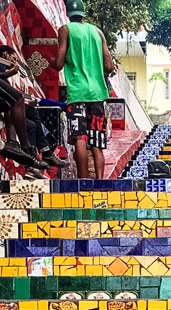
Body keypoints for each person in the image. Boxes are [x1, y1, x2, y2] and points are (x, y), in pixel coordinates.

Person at [49, 0, 114, 179]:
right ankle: (100, 182)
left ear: (68, 14)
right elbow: (109, 66)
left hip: (77, 93)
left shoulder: (65, 29)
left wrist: (52, 62)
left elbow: (59, 63)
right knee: (96, 142)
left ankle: (83, 181)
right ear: (84, 13)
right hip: (98, 94)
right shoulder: (97, 32)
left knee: (80, 138)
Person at [0, 48, 46, 171]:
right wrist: (7, 74)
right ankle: (27, 148)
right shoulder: (2, 65)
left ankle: (15, 144)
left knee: (29, 120)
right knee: (18, 99)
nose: (14, 62)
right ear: (5, 54)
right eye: (13, 58)